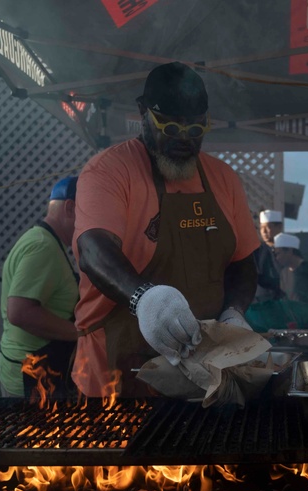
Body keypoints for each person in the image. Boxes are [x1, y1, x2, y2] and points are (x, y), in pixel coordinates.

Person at [72, 61, 260, 397]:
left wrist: (234, 312)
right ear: (143, 113)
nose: (184, 140)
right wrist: (144, 298)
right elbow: (93, 248)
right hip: (117, 376)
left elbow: (243, 260)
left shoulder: (223, 178)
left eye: (195, 129)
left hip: (205, 378)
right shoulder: (108, 171)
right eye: (170, 128)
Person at [0, 176, 81, 399]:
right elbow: (20, 312)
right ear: (70, 207)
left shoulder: (45, 241)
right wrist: (81, 334)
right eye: (89, 211)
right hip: (30, 377)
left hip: (36, 371)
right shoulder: (43, 247)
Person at [253, 209, 285, 302]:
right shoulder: (257, 251)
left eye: (268, 227)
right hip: (263, 301)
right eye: (262, 227)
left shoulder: (288, 250)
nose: (264, 231)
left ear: (279, 227)